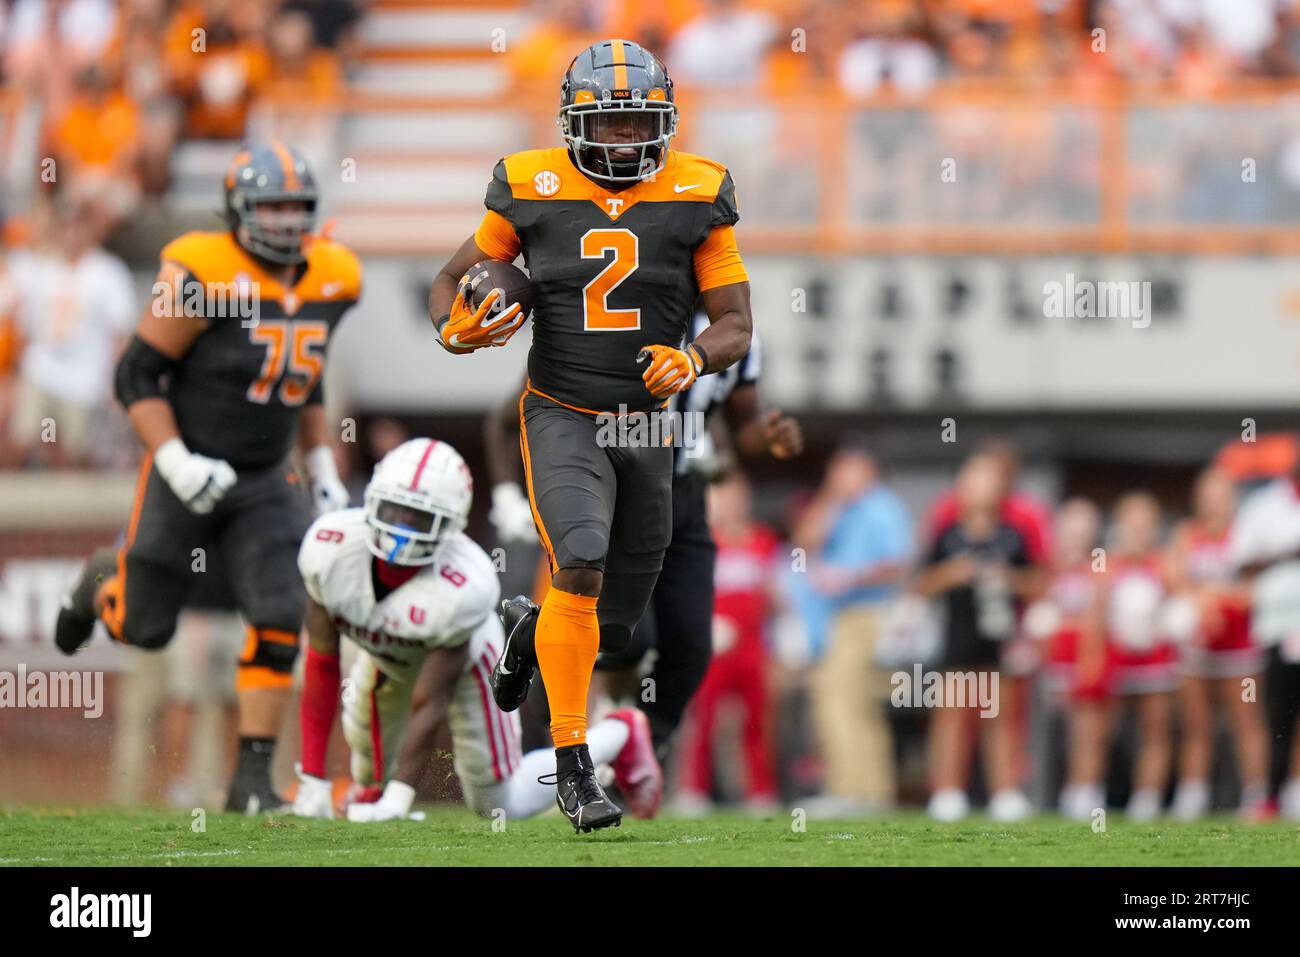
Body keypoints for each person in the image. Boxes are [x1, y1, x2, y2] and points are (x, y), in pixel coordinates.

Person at [427, 39, 752, 832]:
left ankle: (523, 631)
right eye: (606, 125)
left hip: (649, 425)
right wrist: (455, 332)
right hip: (562, 411)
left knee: (612, 628)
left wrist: (691, 356)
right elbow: (446, 282)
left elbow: (737, 323)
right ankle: (575, 769)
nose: (622, 140)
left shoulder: (698, 191)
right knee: (577, 559)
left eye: (636, 123)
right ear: (575, 124)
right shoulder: (529, 184)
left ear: (663, 122)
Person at [53, 142, 358, 813]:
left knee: (281, 613)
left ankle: (249, 781)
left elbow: (305, 380)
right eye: (270, 206)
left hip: (263, 474)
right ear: (237, 209)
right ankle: (103, 578)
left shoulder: (333, 276)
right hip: (186, 461)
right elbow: (136, 374)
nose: (282, 221)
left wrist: (320, 466)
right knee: (145, 627)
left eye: (294, 207)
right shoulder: (203, 269)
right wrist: (175, 459)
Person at [290, 438, 662, 827]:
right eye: (394, 511)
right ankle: (361, 789)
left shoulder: (463, 584)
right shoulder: (330, 549)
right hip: (388, 653)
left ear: (448, 526)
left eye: (417, 519)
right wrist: (313, 779)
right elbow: (321, 663)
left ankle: (621, 731)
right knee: (361, 730)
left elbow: (430, 700)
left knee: (498, 802)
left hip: (468, 662)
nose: (401, 531)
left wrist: (400, 795)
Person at [914, 453, 1041, 822]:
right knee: (951, 717)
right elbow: (920, 583)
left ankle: (1005, 792)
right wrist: (951, 574)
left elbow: (1037, 582)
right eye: (973, 479)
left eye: (989, 480)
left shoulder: (1011, 537)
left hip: (999, 639)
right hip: (955, 637)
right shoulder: (947, 535)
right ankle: (948, 792)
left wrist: (1009, 580)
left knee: (999, 717)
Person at [793, 435, 911, 815]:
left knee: (838, 699)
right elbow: (804, 541)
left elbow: (897, 564)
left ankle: (850, 789)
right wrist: (830, 498)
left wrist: (851, 577)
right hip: (835, 618)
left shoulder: (882, 507)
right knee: (856, 705)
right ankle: (869, 792)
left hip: (867, 615)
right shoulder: (836, 506)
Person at [1166, 467, 1269, 820]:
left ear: (1233, 499)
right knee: (1196, 725)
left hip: (1240, 649)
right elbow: (1173, 579)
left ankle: (1256, 795)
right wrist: (1198, 601)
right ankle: (1192, 795)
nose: (1214, 502)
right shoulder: (1186, 534)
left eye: (1221, 495)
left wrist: (1217, 598)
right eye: (1207, 495)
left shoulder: (1245, 536)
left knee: (1247, 722)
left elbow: (1256, 589)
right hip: (1197, 649)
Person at [676, 470, 780, 814]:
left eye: (737, 495)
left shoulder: (763, 541)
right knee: (703, 719)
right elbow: (685, 594)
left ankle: (761, 792)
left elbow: (776, 596)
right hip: (714, 647)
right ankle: (695, 791)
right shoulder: (703, 543)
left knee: (756, 721)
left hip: (752, 646)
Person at [1227, 449, 1300, 819]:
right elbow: (1239, 559)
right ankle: (1271, 792)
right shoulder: (1263, 505)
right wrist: (1286, 554)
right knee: (1279, 712)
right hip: (1279, 624)